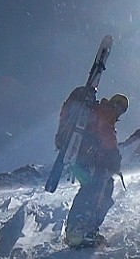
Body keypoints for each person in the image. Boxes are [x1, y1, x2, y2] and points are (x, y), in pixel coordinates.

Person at [55, 86, 129, 248]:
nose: (119, 110)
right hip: (88, 159)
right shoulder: (104, 111)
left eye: (122, 109)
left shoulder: (94, 110)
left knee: (92, 188)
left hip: (77, 159)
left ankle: (79, 230)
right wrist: (113, 156)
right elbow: (106, 134)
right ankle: (81, 231)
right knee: (97, 189)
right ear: (112, 102)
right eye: (118, 105)